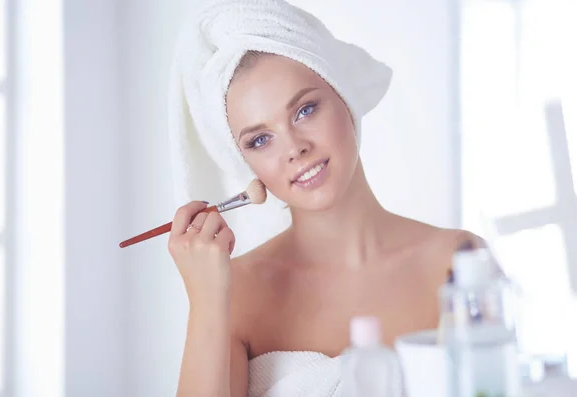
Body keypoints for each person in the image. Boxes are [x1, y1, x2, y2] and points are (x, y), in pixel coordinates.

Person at [166, 1, 482, 396]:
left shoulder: (458, 262)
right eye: (261, 139)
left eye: (305, 110)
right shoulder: (237, 292)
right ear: (248, 165)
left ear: (344, 98)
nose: (294, 148)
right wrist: (207, 300)